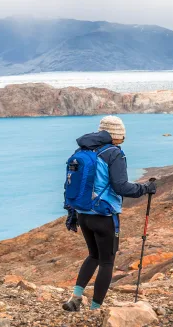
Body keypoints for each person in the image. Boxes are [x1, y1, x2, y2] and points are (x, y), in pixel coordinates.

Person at [62, 116, 156, 311]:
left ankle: (75, 299)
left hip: (83, 214)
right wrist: (146, 188)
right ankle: (95, 310)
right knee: (106, 262)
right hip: (104, 215)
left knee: (93, 256)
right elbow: (122, 187)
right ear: (117, 135)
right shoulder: (114, 154)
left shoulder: (83, 150)